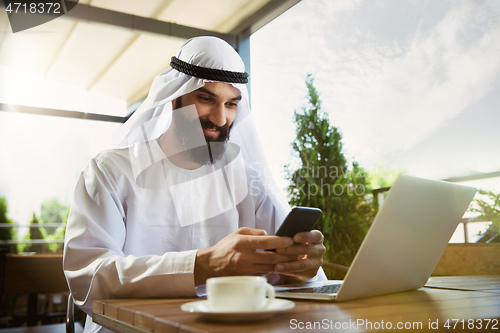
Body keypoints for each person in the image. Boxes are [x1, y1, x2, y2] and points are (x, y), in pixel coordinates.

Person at [63, 36, 326, 333]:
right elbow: (88, 279)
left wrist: (298, 270)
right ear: (176, 98)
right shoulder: (110, 171)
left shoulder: (248, 180)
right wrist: (202, 265)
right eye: (206, 98)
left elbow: (284, 274)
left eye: (231, 104)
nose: (220, 118)